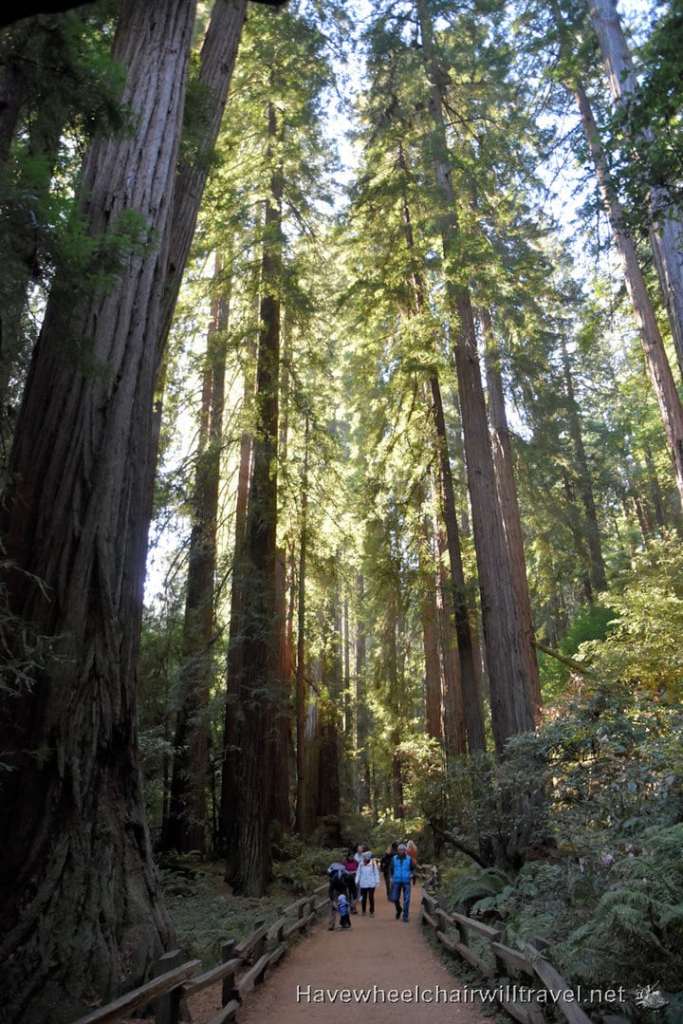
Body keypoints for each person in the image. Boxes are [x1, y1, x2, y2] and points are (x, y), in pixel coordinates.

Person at [391, 843, 413, 922]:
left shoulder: (409, 859)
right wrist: (392, 877)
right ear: (397, 850)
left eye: (402, 850)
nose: (401, 851)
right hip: (396, 880)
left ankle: (405, 916)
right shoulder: (394, 858)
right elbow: (391, 869)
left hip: (406, 881)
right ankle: (399, 909)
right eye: (399, 850)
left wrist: (411, 874)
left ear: (405, 850)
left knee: (406, 899)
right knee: (394, 898)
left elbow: (412, 869)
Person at [355, 850, 380, 916]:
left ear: (368, 858)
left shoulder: (373, 864)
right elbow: (358, 873)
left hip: (371, 883)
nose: (365, 858)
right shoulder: (361, 864)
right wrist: (356, 880)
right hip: (363, 884)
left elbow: (376, 873)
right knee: (364, 898)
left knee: (371, 897)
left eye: (366, 857)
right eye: (364, 857)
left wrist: (377, 882)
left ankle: (372, 911)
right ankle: (363, 911)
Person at [327, 861, 348, 930]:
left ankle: (344, 923)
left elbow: (344, 890)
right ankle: (331, 924)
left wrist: (343, 898)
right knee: (332, 906)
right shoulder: (333, 879)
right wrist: (333, 901)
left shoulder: (344, 878)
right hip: (334, 889)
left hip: (342, 890)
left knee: (343, 905)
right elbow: (330, 891)